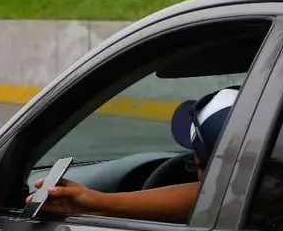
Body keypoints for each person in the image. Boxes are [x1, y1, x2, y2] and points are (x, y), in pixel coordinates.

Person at [30, 87, 239, 223]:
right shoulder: (258, 198)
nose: (199, 181)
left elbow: (207, 195)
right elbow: (203, 197)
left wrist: (98, 202)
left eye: (198, 166)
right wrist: (97, 205)